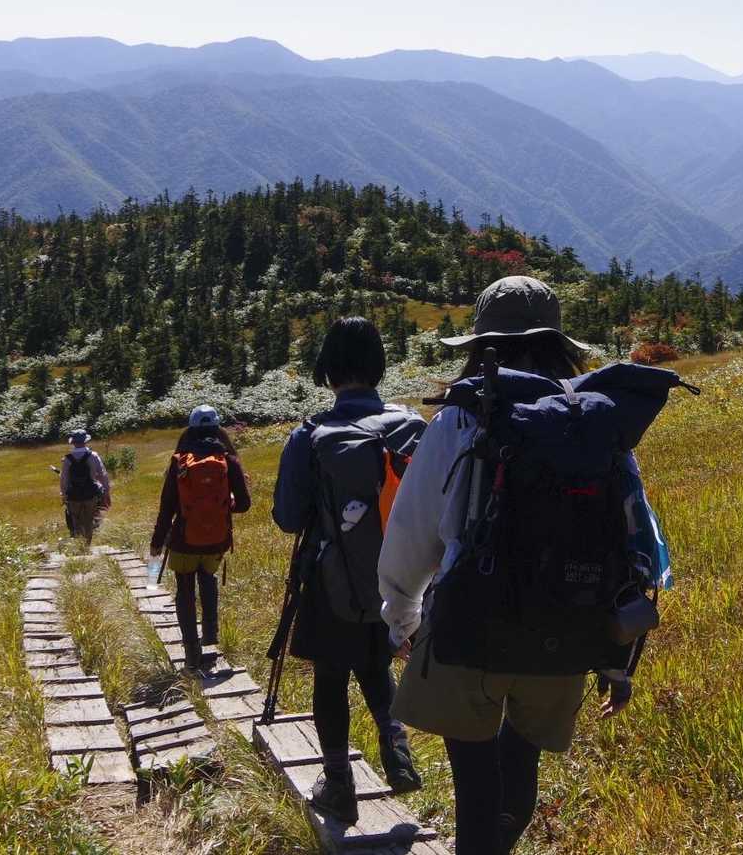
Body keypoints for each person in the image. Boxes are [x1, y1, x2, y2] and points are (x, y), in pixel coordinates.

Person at [378, 276, 677, 855]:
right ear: (558, 343)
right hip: (565, 623)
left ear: (480, 346)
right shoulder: (593, 417)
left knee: (474, 788)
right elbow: (632, 536)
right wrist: (617, 659)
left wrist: (402, 619)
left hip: (470, 623)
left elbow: (412, 534)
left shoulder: (460, 418)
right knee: (520, 771)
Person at [273, 317, 428, 824]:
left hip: (331, 578)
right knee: (376, 662)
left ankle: (339, 784)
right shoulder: (411, 426)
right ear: (378, 365)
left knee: (331, 676)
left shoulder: (310, 434)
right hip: (403, 579)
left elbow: (288, 518)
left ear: (329, 368)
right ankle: (396, 748)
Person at [149, 405, 251, 671]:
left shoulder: (179, 462)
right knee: (208, 578)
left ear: (190, 429)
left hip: (183, 540)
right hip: (217, 540)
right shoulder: (229, 461)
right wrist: (222, 507)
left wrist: (157, 542)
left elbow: (167, 507)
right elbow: (244, 504)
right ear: (217, 429)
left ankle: (191, 653)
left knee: (184, 590)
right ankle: (210, 636)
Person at [60, 429, 112, 541]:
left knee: (75, 522)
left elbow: (64, 479)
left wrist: (64, 495)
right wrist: (106, 492)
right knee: (89, 522)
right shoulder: (93, 456)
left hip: (73, 495)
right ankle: (87, 545)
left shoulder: (67, 459)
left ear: (73, 442)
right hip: (90, 494)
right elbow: (103, 475)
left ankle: (79, 545)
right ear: (85, 441)